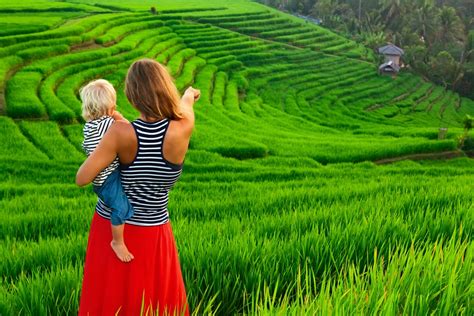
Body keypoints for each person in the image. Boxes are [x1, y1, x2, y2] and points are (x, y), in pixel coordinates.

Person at [76, 58, 200, 315]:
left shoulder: (121, 133)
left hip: (112, 230)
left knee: (110, 301)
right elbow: (185, 107)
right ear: (166, 89)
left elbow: (83, 178)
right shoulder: (183, 127)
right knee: (156, 304)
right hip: (155, 231)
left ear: (131, 97)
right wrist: (188, 95)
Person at [80, 79, 134, 263]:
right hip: (107, 179)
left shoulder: (89, 127)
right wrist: (117, 116)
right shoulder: (109, 124)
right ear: (111, 106)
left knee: (117, 202)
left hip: (102, 179)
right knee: (121, 206)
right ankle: (117, 241)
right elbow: (129, 128)